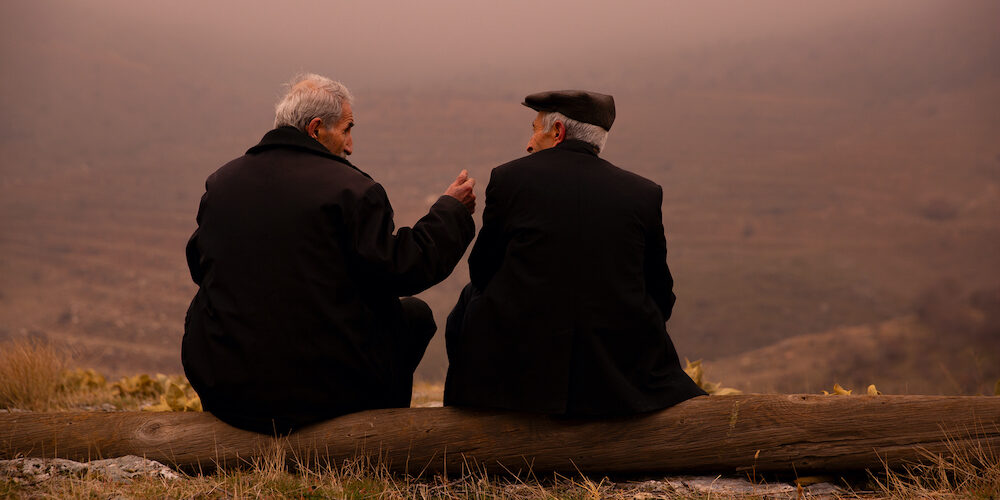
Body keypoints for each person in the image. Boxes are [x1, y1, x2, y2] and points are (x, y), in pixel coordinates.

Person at [182, 74, 476, 434]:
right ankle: (378, 435)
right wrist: (451, 211)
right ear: (317, 129)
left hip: (226, 389)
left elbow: (201, 266)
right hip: (319, 396)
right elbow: (403, 269)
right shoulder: (352, 191)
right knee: (413, 316)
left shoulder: (221, 182)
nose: (350, 146)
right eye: (347, 130)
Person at [444, 90, 706, 415]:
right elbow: (660, 294)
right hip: (617, 382)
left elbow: (482, 270)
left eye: (534, 129)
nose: (528, 143)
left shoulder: (510, 178)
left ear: (558, 132)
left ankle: (470, 404)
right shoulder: (643, 193)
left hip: (522, 378)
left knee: (469, 298)